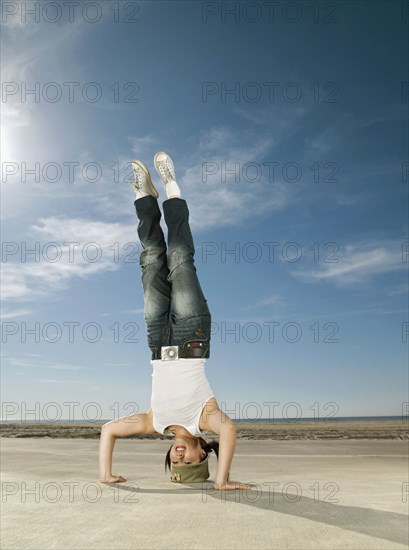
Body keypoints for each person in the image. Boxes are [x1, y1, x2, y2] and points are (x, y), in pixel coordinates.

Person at [99, 152, 251, 491]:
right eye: (187, 462)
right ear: (202, 456)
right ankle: (172, 188)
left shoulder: (153, 423)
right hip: (191, 334)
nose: (179, 456)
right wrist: (222, 480)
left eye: (174, 461)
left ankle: (142, 196)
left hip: (157, 338)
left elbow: (108, 430)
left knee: (152, 260)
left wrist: (106, 475)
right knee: (180, 259)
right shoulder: (205, 420)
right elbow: (229, 430)